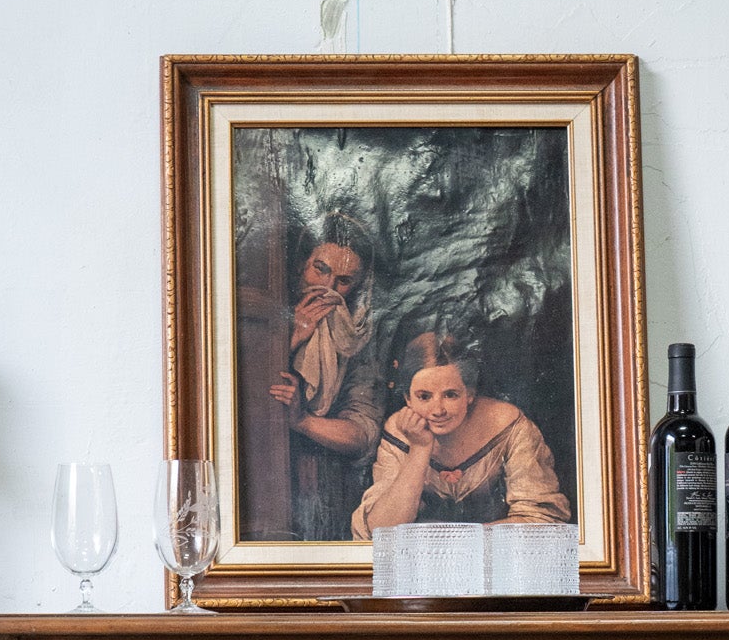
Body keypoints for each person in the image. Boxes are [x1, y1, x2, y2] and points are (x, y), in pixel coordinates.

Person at [237, 211, 384, 542]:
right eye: (321, 269)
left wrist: (302, 421)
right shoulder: (262, 314)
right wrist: (290, 339)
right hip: (263, 479)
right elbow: (239, 396)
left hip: (325, 491)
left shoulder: (355, 339)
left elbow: (363, 433)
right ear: (301, 263)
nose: (327, 288)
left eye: (343, 281)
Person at [352, 331, 571, 538]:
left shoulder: (509, 425)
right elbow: (380, 531)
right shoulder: (400, 431)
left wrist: (460, 540)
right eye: (424, 397)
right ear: (408, 399)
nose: (438, 410)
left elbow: (542, 520)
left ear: (470, 394)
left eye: (450, 395)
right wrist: (419, 448)